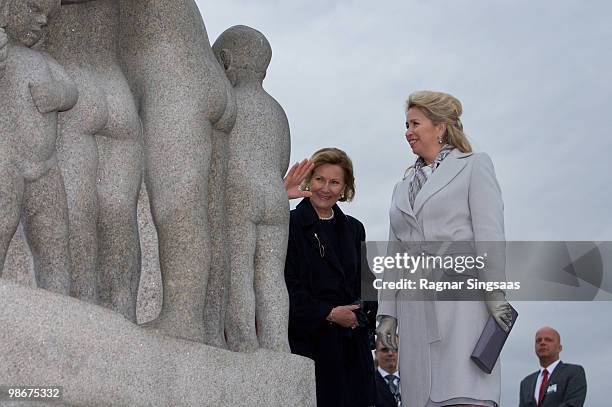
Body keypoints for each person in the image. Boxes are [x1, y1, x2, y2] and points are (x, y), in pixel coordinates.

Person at [377, 90, 513, 407]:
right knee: (421, 397)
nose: (407, 132)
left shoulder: (474, 166)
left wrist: (495, 293)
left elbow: (490, 235)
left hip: (462, 304)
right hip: (414, 308)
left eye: (415, 123)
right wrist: (387, 315)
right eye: (406, 124)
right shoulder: (402, 186)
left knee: (464, 392)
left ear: (440, 127)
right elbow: (393, 255)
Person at [284, 147, 376, 407]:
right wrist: (329, 312)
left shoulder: (355, 229)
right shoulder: (289, 224)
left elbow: (368, 284)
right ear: (308, 181)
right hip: (310, 347)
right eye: (319, 179)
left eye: (334, 182)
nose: (326, 188)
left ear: (345, 187)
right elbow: (286, 286)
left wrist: (360, 315)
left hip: (352, 351)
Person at [0, 0, 76, 294]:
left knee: (55, 237)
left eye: (46, 15)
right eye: (33, 9)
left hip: (46, 167)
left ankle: (58, 299)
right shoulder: (6, 56)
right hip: (7, 162)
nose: (43, 21)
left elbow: (71, 90)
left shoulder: (43, 61)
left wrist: (58, 95)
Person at [518, 327, 587, 407]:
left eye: (548, 340)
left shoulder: (573, 373)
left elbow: (573, 404)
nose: (542, 343)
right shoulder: (526, 383)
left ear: (559, 348)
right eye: (538, 341)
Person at [375, 338, 402, 407]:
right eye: (385, 350)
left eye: (395, 349)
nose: (390, 353)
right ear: (376, 354)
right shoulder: (368, 383)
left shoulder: (414, 380)